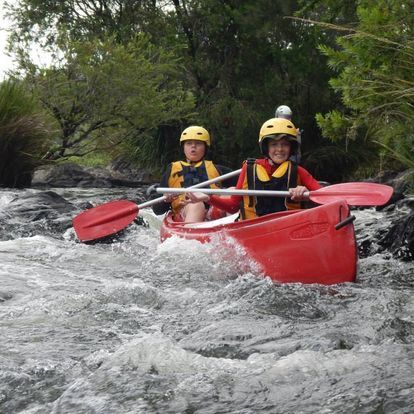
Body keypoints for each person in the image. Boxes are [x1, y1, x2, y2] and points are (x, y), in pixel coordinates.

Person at [187, 118, 321, 220]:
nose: (279, 149)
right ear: (266, 147)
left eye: (284, 145)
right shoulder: (249, 169)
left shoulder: (299, 171)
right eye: (274, 144)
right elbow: (233, 206)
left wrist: (306, 194)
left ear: (291, 147)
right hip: (252, 229)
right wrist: (208, 198)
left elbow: (325, 196)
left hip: (287, 227)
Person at [151, 125, 232, 222]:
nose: (193, 146)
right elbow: (157, 210)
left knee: (232, 192)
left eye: (198, 143)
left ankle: (236, 229)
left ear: (205, 147)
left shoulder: (218, 169)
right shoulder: (171, 170)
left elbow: (244, 184)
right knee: (196, 204)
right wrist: (165, 200)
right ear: (183, 147)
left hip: (213, 213)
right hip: (185, 213)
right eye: (189, 143)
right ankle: (191, 235)